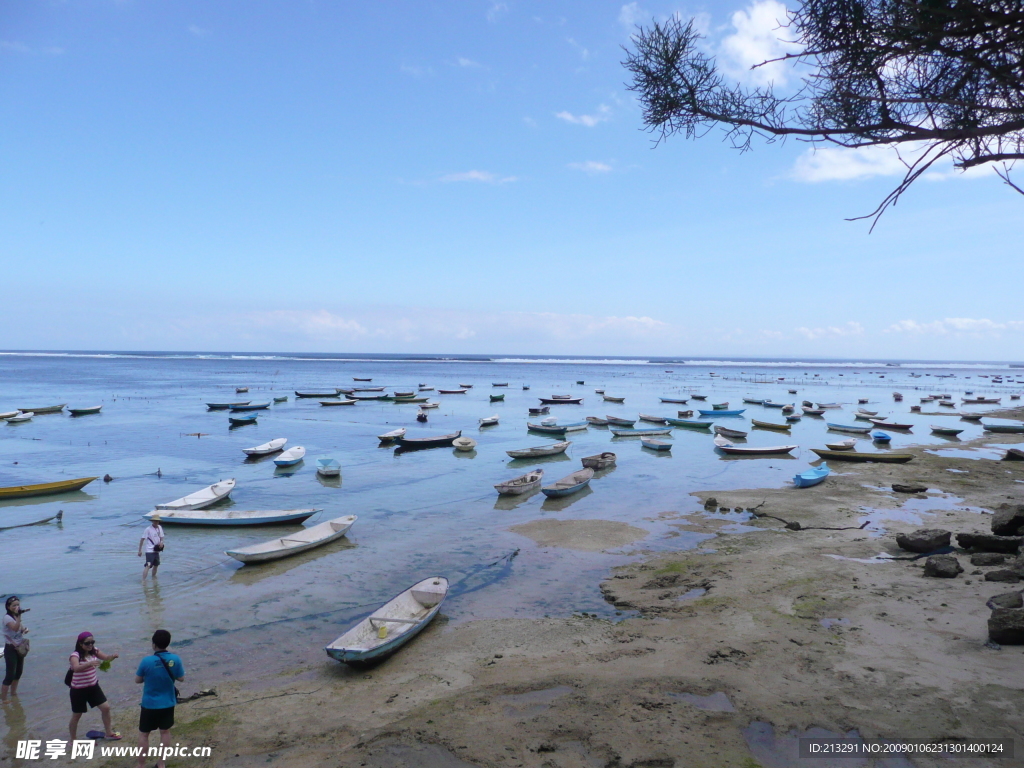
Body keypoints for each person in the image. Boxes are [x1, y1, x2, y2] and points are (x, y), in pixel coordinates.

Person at [135, 629, 184, 768]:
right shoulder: (175, 659)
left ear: (153, 644)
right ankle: (161, 763)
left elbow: (137, 680)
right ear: (168, 643)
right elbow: (181, 678)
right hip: (168, 703)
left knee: (144, 734)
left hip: (149, 704)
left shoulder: (147, 661)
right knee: (165, 732)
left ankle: (141, 765)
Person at [68, 632, 120, 741]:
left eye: (92, 642)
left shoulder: (94, 651)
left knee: (106, 708)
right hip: (78, 690)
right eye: (87, 643)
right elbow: (76, 668)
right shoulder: (75, 655)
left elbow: (105, 658)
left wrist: (112, 657)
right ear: (80, 644)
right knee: (77, 715)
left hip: (93, 687)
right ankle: (73, 740)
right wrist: (89, 664)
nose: (90, 645)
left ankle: (109, 733)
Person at [2, 596, 28, 700]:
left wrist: (25, 630)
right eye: (14, 605)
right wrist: (19, 616)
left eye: (18, 605)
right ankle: (3, 699)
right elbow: (14, 628)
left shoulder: (15, 616)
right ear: (8, 607)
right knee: (9, 676)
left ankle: (13, 694)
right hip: (10, 649)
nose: (16, 607)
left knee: (18, 673)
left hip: (19, 647)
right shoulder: (7, 618)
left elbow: (20, 628)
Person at [138, 516, 165, 580]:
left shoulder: (160, 528)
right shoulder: (148, 529)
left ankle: (153, 578)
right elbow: (142, 539)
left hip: (156, 550)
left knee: (156, 565)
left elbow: (162, 537)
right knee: (148, 565)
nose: (156, 522)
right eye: (155, 521)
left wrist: (161, 542)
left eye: (157, 521)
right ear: (152, 521)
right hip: (149, 550)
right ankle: (143, 580)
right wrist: (140, 550)